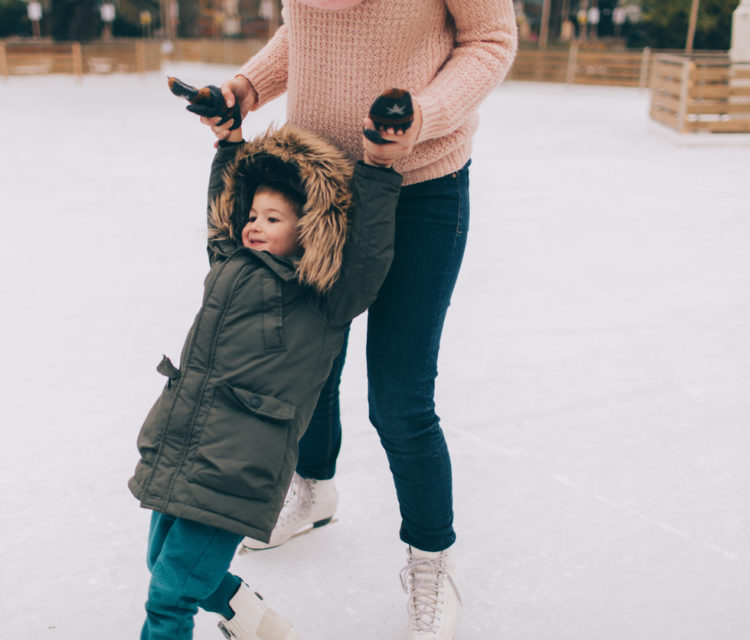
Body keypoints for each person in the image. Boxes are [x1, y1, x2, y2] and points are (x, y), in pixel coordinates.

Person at [201, 2, 518, 638]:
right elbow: (310, 33)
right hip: (317, 188)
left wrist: (421, 114)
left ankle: (432, 560)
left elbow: (488, 40)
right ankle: (315, 490)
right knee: (306, 365)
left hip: (420, 186)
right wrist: (247, 88)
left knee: (400, 398)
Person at [128, 82, 406, 639]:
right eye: (253, 215)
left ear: (308, 229)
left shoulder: (324, 296)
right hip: (185, 439)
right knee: (166, 566)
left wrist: (377, 167)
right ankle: (253, 619)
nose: (254, 224)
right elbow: (223, 212)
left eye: (272, 219)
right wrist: (229, 141)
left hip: (240, 463)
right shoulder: (231, 262)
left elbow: (368, 255)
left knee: (170, 597)